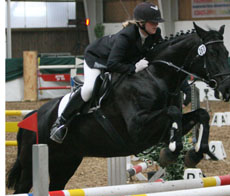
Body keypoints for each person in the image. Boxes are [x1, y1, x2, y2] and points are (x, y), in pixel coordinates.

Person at [50, 2, 165, 143]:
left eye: (157, 22)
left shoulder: (155, 34)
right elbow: (112, 64)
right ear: (141, 23)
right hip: (97, 58)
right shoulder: (126, 37)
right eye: (153, 22)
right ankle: (61, 123)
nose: (156, 25)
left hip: (120, 61)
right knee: (90, 88)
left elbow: (161, 59)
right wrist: (133, 69)